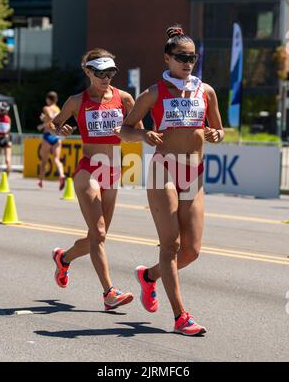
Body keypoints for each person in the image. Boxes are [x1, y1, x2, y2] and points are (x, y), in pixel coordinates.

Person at [119, 25, 224, 336]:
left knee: (190, 250)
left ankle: (149, 276)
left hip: (195, 171)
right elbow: (125, 130)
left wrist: (216, 134)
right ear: (167, 58)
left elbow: (219, 129)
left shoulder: (205, 91)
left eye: (192, 57)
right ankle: (181, 317)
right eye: (181, 57)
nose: (188, 62)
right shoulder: (153, 93)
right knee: (171, 245)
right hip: (165, 169)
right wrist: (142, 134)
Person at [49, 48, 141, 311]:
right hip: (88, 170)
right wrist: (60, 131)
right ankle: (109, 293)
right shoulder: (76, 101)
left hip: (113, 172)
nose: (106, 77)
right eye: (100, 72)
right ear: (88, 72)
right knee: (99, 233)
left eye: (111, 72)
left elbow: (140, 133)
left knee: (96, 237)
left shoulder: (124, 99)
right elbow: (53, 125)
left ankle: (63, 258)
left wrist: (126, 134)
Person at [38, 91, 65, 190]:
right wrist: (44, 121)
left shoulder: (46, 108)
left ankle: (40, 180)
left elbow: (50, 117)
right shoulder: (58, 109)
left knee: (44, 160)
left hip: (48, 135)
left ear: (48, 99)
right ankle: (61, 175)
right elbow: (54, 119)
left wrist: (45, 119)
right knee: (56, 159)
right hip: (57, 136)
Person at [0, 101, 12, 185]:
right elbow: (8, 131)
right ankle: (6, 180)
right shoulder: (8, 118)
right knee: (8, 160)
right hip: (7, 139)